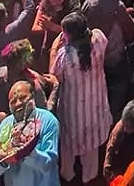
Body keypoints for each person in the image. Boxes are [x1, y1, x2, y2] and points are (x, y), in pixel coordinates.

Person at [50, 11, 111, 183]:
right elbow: (95, 36)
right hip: (96, 106)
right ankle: (89, 178)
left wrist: (54, 48)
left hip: (73, 111)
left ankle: (68, 176)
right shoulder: (98, 39)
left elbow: (55, 77)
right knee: (91, 150)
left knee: (68, 147)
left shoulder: (65, 55)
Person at [0, 80, 60, 186]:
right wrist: (4, 159)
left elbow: (48, 165)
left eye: (22, 98)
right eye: (13, 101)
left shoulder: (48, 120)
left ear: (33, 97)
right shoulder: (5, 125)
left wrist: (27, 151)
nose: (18, 103)